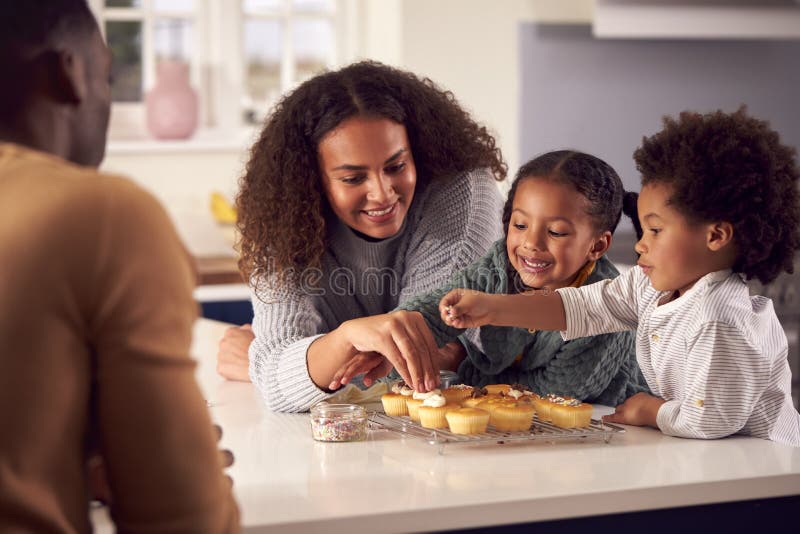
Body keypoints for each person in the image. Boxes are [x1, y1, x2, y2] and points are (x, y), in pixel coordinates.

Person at [0, 1, 240, 531]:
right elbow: (182, 519)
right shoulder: (102, 216)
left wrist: (72, 469)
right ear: (68, 74)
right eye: (107, 74)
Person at [439, 108, 800, 446]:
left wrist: (651, 410)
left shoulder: (720, 321)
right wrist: (494, 307)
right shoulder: (651, 287)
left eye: (655, 231)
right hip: (715, 457)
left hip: (769, 466)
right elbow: (583, 306)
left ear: (716, 237)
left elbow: (711, 420)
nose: (640, 246)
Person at [217, 61, 506, 412]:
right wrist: (345, 339)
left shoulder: (462, 192)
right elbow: (278, 378)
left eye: (396, 166)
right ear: (313, 180)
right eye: (354, 179)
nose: (383, 194)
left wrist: (271, 366)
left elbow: (429, 366)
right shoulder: (282, 215)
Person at [333, 150, 650, 406]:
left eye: (555, 232)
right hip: (518, 422)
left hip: (605, 423)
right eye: (520, 225)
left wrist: (460, 369)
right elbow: (434, 311)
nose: (531, 244)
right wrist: (389, 343)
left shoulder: (608, 306)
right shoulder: (499, 265)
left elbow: (559, 392)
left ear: (597, 246)